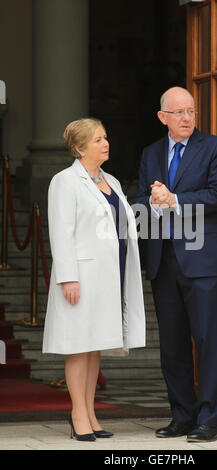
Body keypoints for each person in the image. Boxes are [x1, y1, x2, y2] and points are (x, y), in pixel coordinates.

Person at [135, 87, 217, 443]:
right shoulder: (151, 152)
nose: (187, 118)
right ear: (163, 118)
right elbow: (140, 198)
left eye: (191, 111)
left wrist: (175, 199)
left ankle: (211, 419)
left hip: (203, 261)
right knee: (172, 345)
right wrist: (153, 200)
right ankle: (182, 416)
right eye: (179, 112)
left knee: (208, 341)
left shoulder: (215, 147)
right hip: (164, 260)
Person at [42, 118, 145, 441]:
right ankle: (77, 415)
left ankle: (90, 413)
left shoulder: (110, 180)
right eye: (98, 139)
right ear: (79, 147)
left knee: (95, 345)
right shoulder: (65, 181)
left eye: (105, 137)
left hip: (110, 274)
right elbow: (61, 231)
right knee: (78, 345)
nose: (106, 143)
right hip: (81, 276)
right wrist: (68, 277)